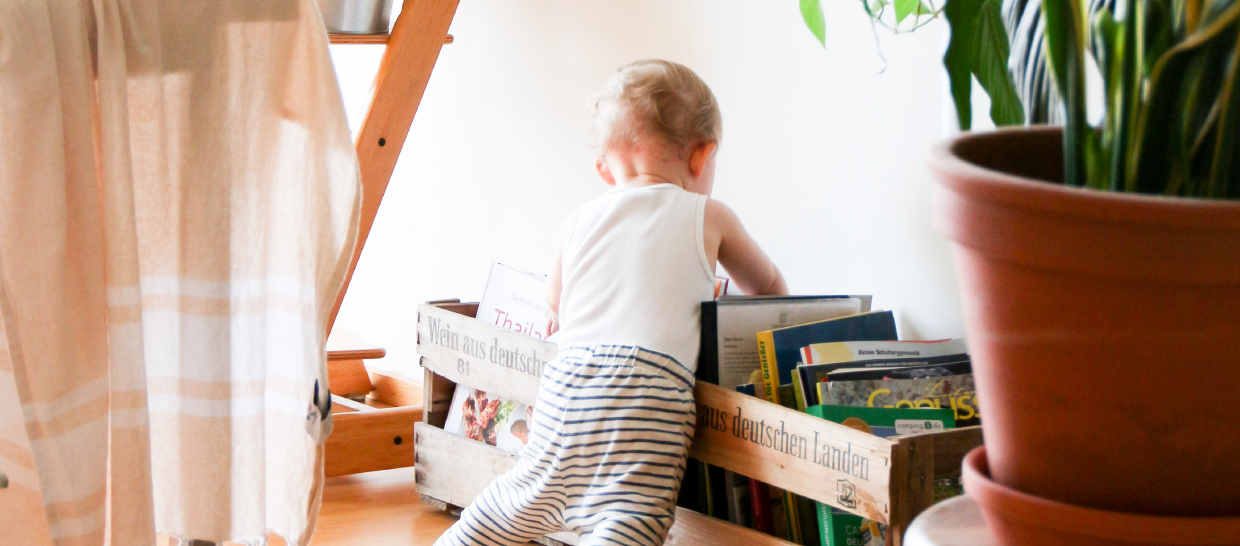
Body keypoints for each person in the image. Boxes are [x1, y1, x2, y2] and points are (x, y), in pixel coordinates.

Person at [435, 59, 787, 546]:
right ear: (702, 156)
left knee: (524, 496)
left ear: (605, 168)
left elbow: (555, 306)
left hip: (568, 386)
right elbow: (767, 288)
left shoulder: (577, 220)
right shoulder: (710, 214)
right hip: (647, 397)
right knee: (629, 515)